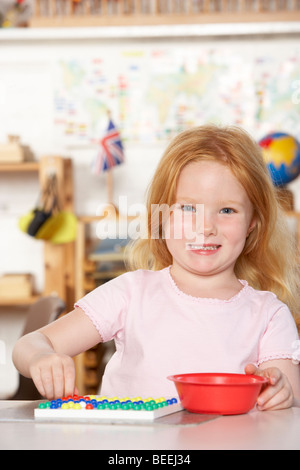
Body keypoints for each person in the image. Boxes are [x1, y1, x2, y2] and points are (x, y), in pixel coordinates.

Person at [13, 124, 300, 411]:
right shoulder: (131, 293)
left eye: (227, 210)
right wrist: (41, 358)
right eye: (188, 208)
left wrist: (281, 395)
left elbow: (287, 403)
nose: (206, 227)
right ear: (161, 216)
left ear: (253, 222)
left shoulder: (269, 316)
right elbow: (30, 343)